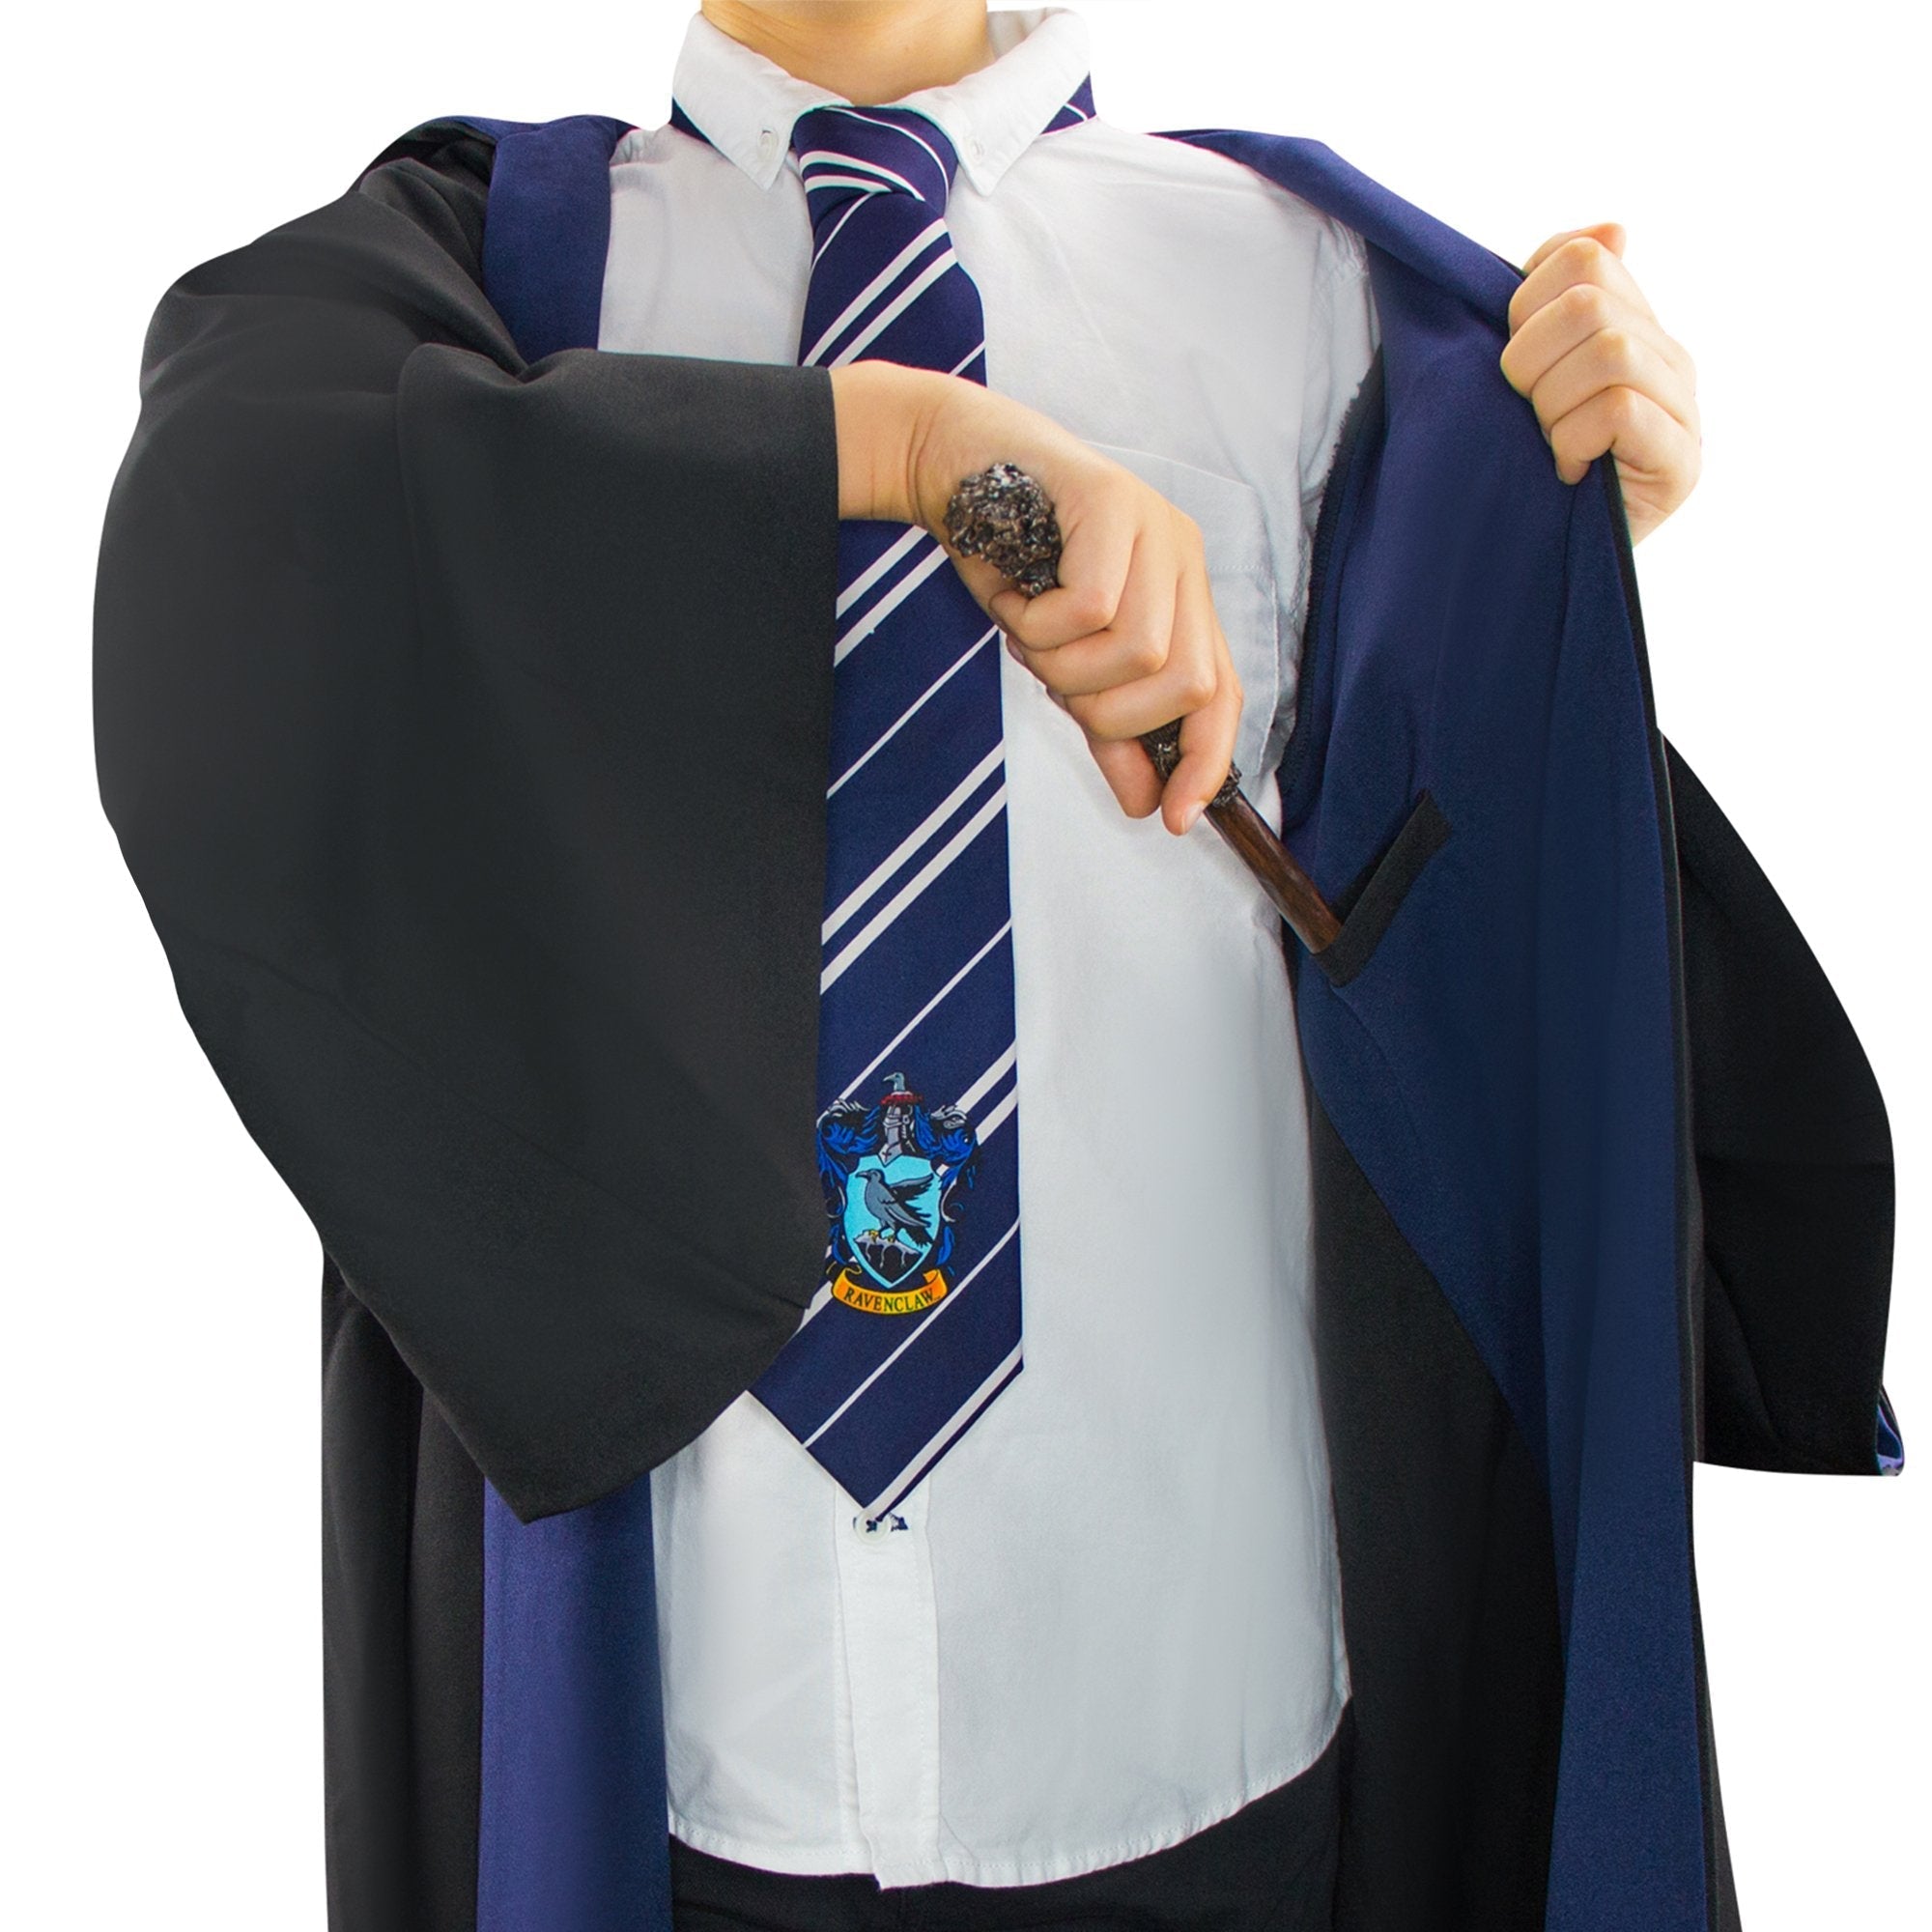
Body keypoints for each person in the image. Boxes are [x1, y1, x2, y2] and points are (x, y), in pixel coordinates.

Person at [92, 6, 1895, 1932]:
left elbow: (1460, 950)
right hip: (691, 1730)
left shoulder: (1303, 291)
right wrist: (919, 448)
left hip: (1201, 1707)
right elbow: (235, 533)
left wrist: (1555, 543)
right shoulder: (500, 279)